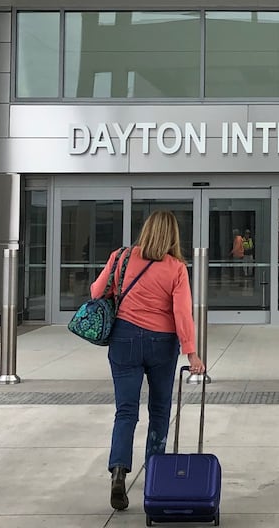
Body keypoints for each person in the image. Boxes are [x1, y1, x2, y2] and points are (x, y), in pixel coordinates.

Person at [91, 210, 205, 512]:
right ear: (172, 236)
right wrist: (191, 352)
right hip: (161, 343)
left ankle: (118, 471)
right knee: (159, 410)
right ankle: (155, 473)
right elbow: (182, 313)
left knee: (125, 411)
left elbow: (96, 291)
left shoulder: (122, 257)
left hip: (124, 339)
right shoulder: (176, 268)